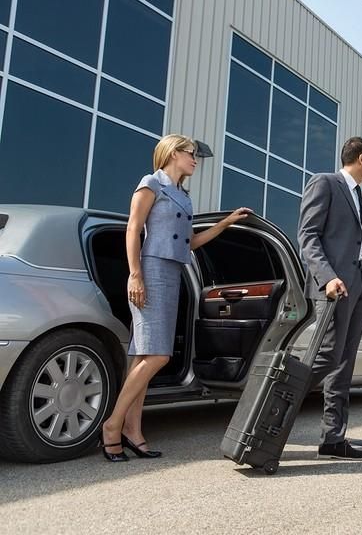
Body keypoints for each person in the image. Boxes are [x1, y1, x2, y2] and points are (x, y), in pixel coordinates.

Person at [101, 135, 251, 462]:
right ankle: (112, 425)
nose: (195, 160)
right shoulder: (151, 183)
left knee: (143, 357)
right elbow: (133, 228)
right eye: (191, 154)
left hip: (173, 273)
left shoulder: (183, 197)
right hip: (151, 270)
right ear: (173, 153)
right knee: (157, 356)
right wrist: (135, 274)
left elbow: (191, 242)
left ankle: (133, 431)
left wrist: (224, 223)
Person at [299, 136, 362, 460]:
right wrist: (327, 278)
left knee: (344, 362)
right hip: (336, 285)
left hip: (361, 284)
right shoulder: (325, 183)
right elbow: (307, 236)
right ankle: (275, 402)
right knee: (329, 357)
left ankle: (333, 438)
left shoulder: (357, 196)